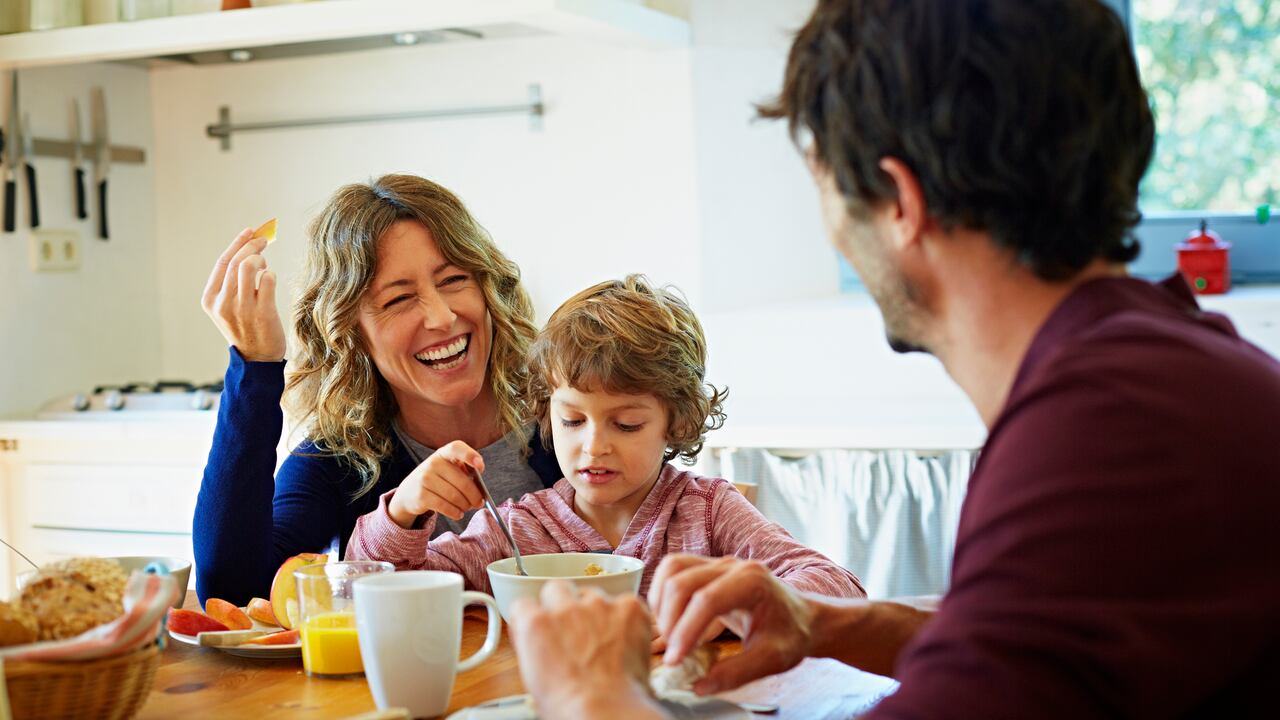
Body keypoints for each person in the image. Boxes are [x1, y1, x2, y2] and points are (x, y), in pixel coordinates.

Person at [505, 1, 1280, 718]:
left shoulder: (1099, 445)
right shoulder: (1174, 371)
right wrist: (832, 621)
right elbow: (1041, 638)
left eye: (824, 185)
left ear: (898, 201)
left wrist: (590, 693)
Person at [346, 276, 864, 634]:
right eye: (572, 421)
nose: (593, 445)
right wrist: (402, 511)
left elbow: (838, 587)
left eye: (627, 423)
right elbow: (377, 594)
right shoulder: (520, 531)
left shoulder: (708, 512)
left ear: (676, 421)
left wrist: (730, 608)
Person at [193, 174, 562, 605]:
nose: (442, 317)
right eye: (398, 299)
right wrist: (255, 368)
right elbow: (234, 592)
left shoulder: (573, 423)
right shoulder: (340, 461)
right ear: (352, 334)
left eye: (453, 280)